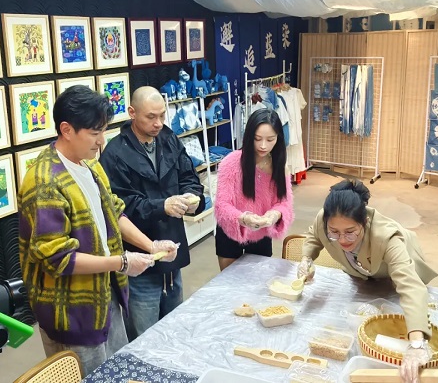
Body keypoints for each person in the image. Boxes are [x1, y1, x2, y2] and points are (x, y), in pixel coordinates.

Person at [18, 85, 173, 375]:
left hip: (105, 294)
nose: (102, 141)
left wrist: (150, 246)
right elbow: (58, 258)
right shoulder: (44, 182)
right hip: (71, 310)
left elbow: (114, 212)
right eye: (94, 133)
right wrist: (122, 262)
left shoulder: (90, 164)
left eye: (103, 131)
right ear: (66, 130)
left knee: (114, 371)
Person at [297, 179, 438, 383]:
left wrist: (417, 344)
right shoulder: (325, 221)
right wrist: (306, 258)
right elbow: (314, 235)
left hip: (396, 271)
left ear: (364, 222)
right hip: (362, 272)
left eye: (350, 232)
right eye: (334, 232)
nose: (342, 240)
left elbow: (411, 287)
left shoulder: (387, 237)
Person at [99, 86, 205, 340]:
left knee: (175, 329)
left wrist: (193, 197)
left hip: (171, 250)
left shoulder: (169, 139)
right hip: (140, 258)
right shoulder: (115, 154)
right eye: (151, 117)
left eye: (162, 115)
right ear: (132, 112)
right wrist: (162, 206)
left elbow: (189, 176)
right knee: (144, 336)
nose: (158, 123)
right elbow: (120, 207)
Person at [214, 109, 294, 271]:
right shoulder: (231, 162)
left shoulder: (279, 167)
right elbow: (222, 205)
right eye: (257, 139)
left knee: (259, 281)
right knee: (229, 280)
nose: (263, 145)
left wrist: (274, 214)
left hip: (261, 233)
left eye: (270, 139)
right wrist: (243, 218)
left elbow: (284, 203)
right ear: (249, 136)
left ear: (278, 138)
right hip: (231, 230)